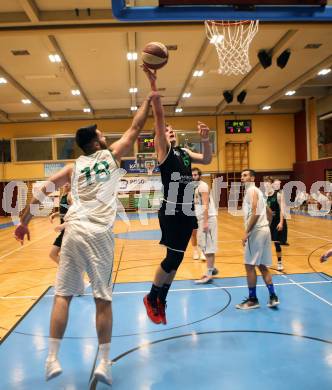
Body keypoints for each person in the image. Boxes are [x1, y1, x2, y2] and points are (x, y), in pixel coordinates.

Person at [14, 89, 155, 385]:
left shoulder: (73, 167)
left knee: (62, 295)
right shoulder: (111, 155)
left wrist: (24, 221)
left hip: (74, 229)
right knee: (102, 299)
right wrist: (149, 97)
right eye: (101, 134)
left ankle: (51, 357)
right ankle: (104, 362)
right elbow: (136, 127)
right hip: (99, 234)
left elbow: (42, 191)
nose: (104, 136)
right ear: (96, 142)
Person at [142, 66, 212, 325]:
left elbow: (205, 158)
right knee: (171, 256)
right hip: (171, 210)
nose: (169, 131)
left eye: (172, 131)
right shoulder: (164, 151)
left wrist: (205, 140)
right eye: (166, 131)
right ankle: (151, 297)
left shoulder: (183, 152)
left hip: (187, 211)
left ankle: (162, 298)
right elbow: (159, 119)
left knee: (179, 258)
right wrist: (153, 86)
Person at [236, 169, 280, 310]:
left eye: (245, 175)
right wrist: (267, 225)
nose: (242, 177)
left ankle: (252, 299)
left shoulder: (251, 191)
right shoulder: (259, 192)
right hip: (264, 230)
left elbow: (256, 211)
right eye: (242, 175)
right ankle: (273, 297)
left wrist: (247, 232)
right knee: (261, 265)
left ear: (252, 178)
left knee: (249, 266)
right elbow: (268, 212)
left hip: (256, 232)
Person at [192, 167, 219, 284]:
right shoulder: (193, 187)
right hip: (200, 219)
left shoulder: (202, 186)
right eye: (191, 175)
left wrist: (206, 221)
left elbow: (205, 205)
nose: (193, 177)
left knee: (208, 247)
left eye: (195, 175)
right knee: (202, 245)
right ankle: (212, 268)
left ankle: (208, 274)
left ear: (199, 176)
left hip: (208, 219)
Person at [264, 177, 284, 271]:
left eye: (268, 183)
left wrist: (281, 222)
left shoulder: (278, 195)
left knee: (276, 243)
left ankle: (279, 262)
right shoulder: (265, 196)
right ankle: (267, 261)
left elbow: (281, 210)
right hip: (267, 222)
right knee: (266, 243)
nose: (266, 185)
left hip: (276, 222)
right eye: (265, 183)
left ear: (271, 184)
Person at [49, 183, 72, 264]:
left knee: (53, 254)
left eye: (69, 182)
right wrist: (55, 214)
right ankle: (69, 271)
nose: (66, 184)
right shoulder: (63, 195)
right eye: (65, 182)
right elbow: (65, 211)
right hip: (64, 230)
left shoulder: (70, 195)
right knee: (56, 254)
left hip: (69, 230)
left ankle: (68, 271)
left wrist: (64, 225)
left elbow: (76, 212)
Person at [272, 179, 289, 246]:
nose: (278, 185)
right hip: (274, 211)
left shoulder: (281, 192)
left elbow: (283, 203)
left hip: (281, 211)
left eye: (279, 184)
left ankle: (283, 240)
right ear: (273, 185)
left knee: (283, 225)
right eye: (276, 184)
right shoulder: (271, 192)